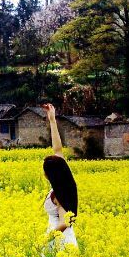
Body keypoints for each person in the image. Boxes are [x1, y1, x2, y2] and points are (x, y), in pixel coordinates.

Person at [41, 103, 79, 247]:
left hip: (60, 242)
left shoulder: (60, 194)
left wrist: (45, 240)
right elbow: (57, 149)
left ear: (50, 175)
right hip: (56, 238)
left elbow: (65, 222)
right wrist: (52, 120)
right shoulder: (64, 179)